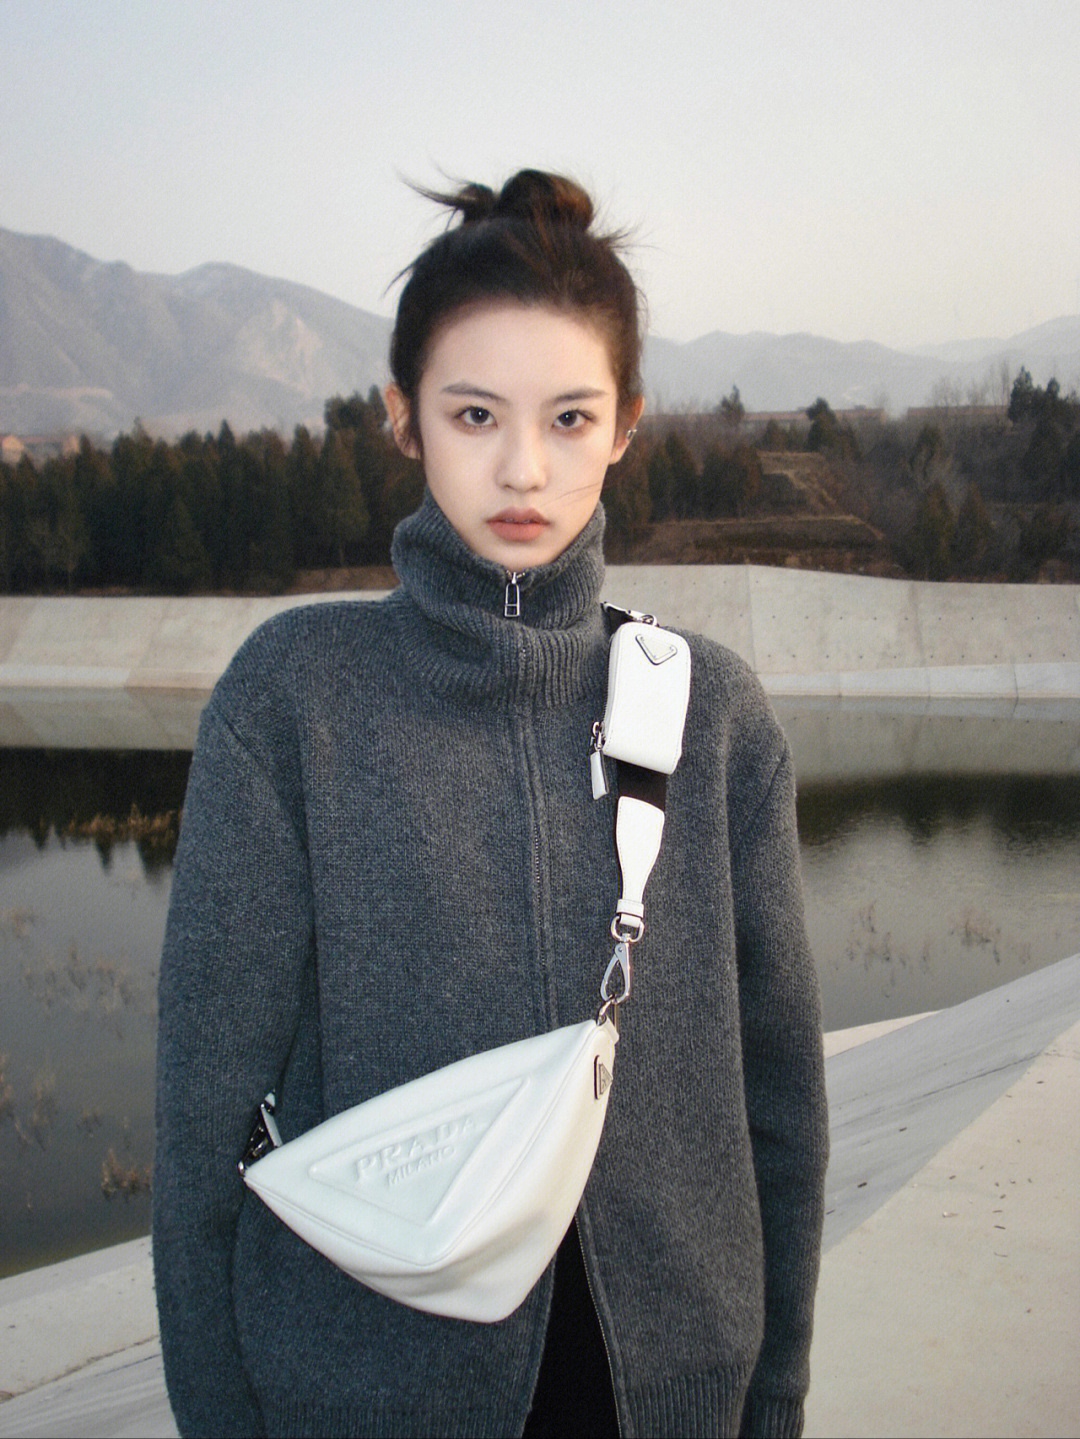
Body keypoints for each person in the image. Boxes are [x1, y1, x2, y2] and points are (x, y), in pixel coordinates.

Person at [154, 169, 828, 1439]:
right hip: (357, 1393)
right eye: (475, 414)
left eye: (571, 417)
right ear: (403, 418)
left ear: (626, 425)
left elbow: (781, 1108)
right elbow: (202, 1125)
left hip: (672, 1392)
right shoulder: (292, 701)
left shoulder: (715, 716)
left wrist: (773, 1395)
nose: (524, 466)